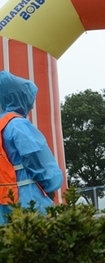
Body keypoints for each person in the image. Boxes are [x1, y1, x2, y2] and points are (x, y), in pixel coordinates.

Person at [0, 71, 63, 225]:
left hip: (7, 199)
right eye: (30, 98)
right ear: (19, 97)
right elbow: (34, 156)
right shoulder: (18, 124)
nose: (32, 105)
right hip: (29, 195)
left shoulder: (3, 124)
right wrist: (49, 185)